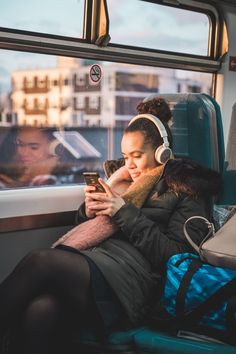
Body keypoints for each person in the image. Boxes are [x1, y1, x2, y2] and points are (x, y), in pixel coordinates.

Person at [0, 97, 221, 354]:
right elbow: (93, 232)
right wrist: (88, 212)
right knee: (41, 310)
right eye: (126, 156)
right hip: (101, 265)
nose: (129, 164)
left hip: (138, 283)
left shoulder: (187, 189)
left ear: (162, 152)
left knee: (42, 261)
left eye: (137, 156)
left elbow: (177, 257)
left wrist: (124, 213)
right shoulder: (120, 181)